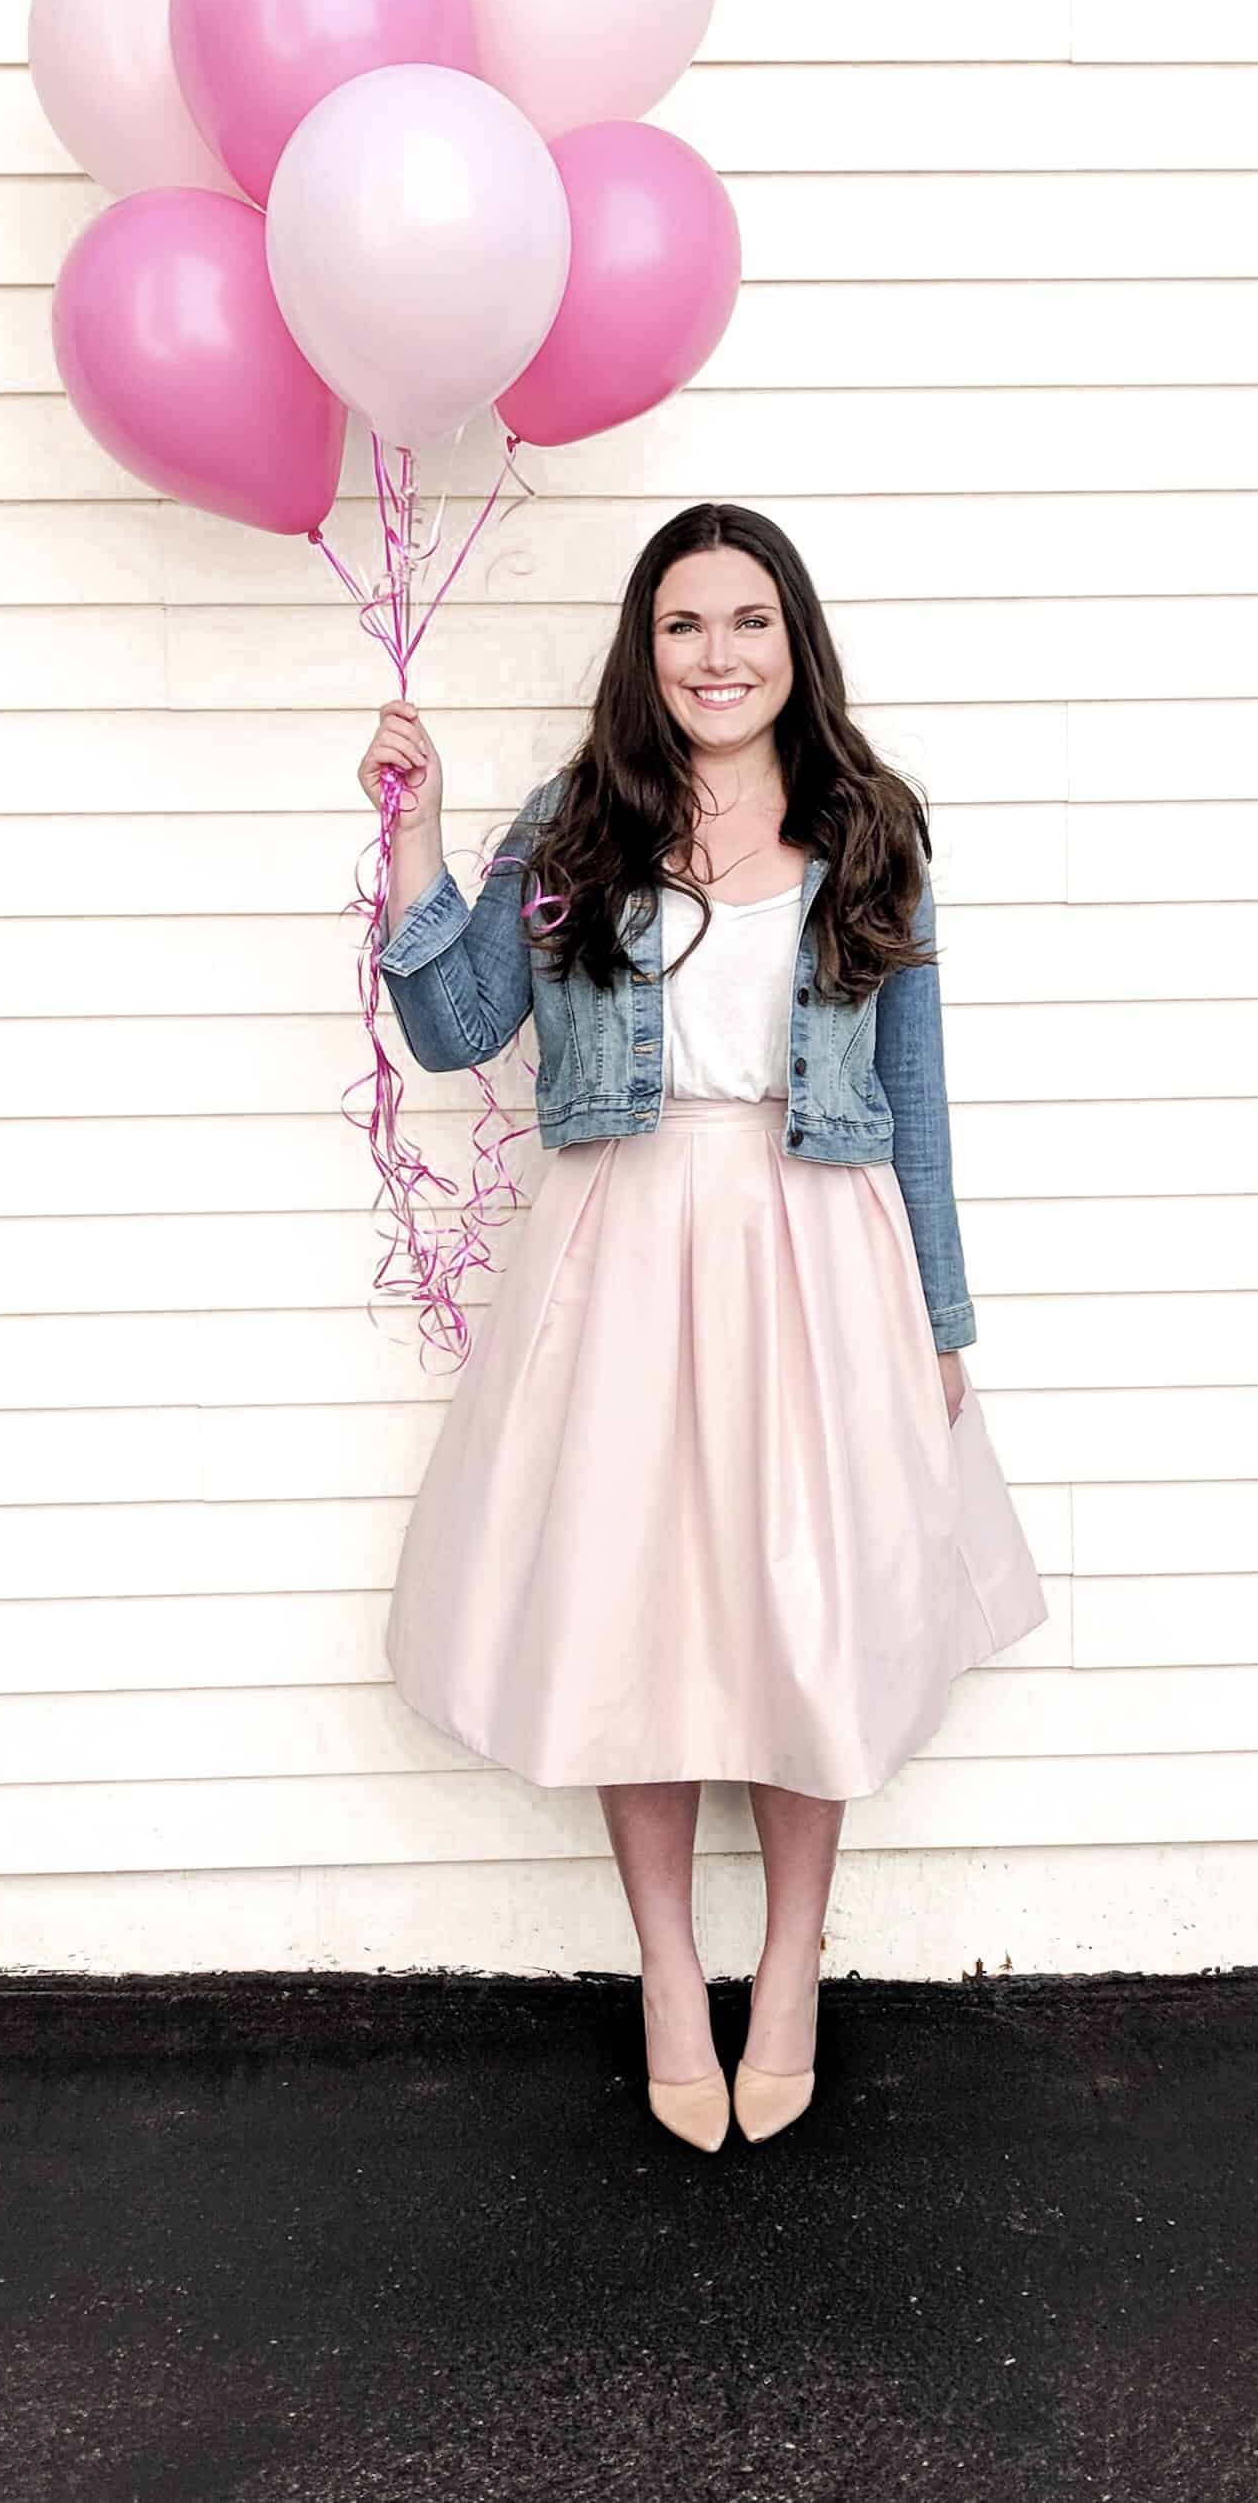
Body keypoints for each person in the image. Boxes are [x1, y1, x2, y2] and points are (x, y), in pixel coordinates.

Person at [357, 499, 1047, 2154]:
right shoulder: (576, 830)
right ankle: (672, 1965)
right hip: (623, 1252)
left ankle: (791, 1962)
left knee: (817, 1620)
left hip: (820, 1246)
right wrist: (419, 841)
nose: (716, 654)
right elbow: (459, 1026)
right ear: (644, 648)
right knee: (634, 1609)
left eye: (747, 621)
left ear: (792, 640)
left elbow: (918, 1096)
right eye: (683, 624)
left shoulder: (871, 829)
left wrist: (940, 1313)